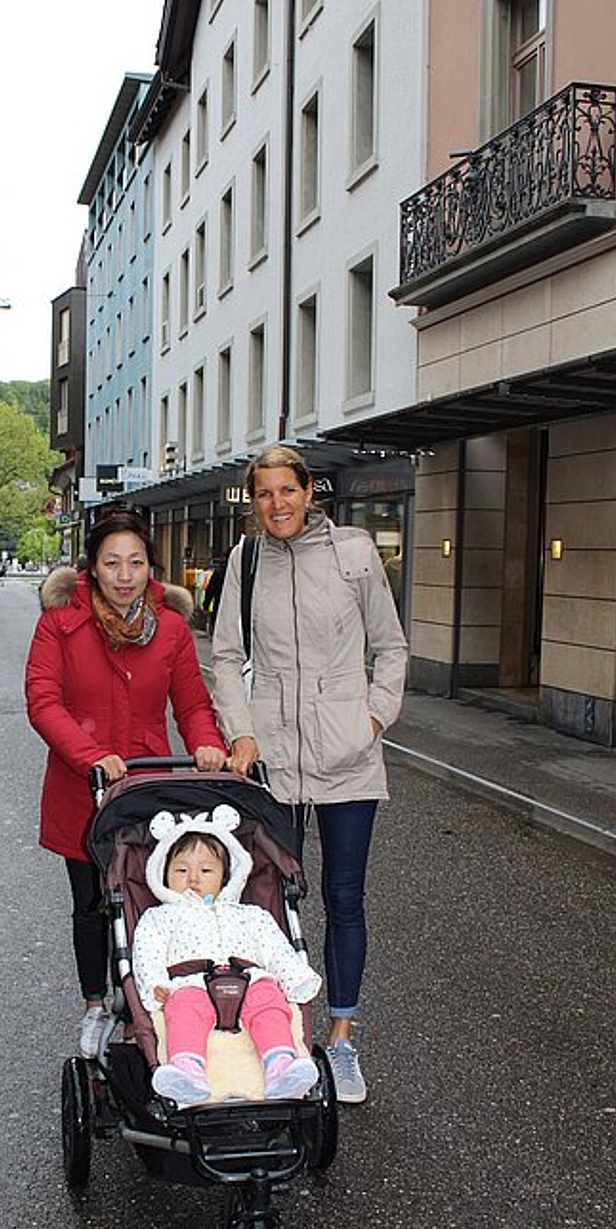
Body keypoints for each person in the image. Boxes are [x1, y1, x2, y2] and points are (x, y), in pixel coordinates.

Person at [212, 446, 408, 1104]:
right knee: (269, 904)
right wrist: (242, 731)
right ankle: (283, 1039)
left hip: (350, 759)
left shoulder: (353, 553)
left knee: (343, 898)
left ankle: (343, 1039)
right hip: (272, 759)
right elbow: (227, 656)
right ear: (254, 500)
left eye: (286, 490)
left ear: (308, 489)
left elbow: (391, 645)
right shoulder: (243, 563)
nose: (276, 504)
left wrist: (374, 719)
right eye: (263, 493)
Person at [25, 507, 228, 1060]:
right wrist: (92, 755)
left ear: (149, 568)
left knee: (151, 901)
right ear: (92, 566)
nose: (124, 575)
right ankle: (96, 1005)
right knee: (92, 903)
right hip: (81, 787)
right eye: (111, 562)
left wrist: (207, 741)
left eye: (135, 562)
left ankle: (152, 1002)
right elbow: (43, 701)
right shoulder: (59, 625)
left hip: (148, 787)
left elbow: (191, 703)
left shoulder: (171, 630)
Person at [132, 805, 320, 1106]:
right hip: (189, 981)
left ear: (226, 876)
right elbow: (146, 953)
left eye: (205, 870)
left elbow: (275, 947)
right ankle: (187, 1071)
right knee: (183, 1011)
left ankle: (280, 1065)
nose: (193, 878)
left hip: (250, 977)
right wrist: (156, 983)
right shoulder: (159, 917)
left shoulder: (249, 914)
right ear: (163, 874)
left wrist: (295, 976)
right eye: (181, 870)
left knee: (270, 1005)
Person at [201, 553, 228, 634]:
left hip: (219, 603)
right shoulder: (241, 572)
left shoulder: (219, 572)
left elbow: (210, 590)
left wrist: (206, 605)